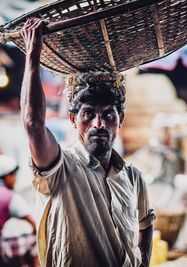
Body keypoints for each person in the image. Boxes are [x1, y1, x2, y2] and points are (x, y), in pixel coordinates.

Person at [20, 18, 155, 267]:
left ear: (120, 119)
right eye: (88, 114)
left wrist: (143, 262)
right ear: (73, 119)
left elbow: (146, 223)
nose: (98, 124)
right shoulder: (61, 168)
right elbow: (33, 125)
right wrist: (33, 54)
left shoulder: (133, 177)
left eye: (108, 115)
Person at [0, 154, 38, 267]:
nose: (15, 180)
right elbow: (35, 224)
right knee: (37, 238)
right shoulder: (10, 197)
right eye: (14, 176)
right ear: (8, 177)